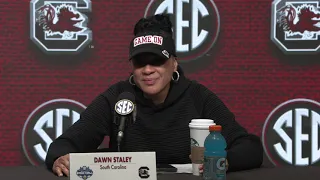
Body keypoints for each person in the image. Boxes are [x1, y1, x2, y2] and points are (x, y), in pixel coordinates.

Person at [45, 14, 263, 177]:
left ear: (174, 63)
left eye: (157, 61)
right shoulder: (118, 97)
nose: (147, 70)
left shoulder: (198, 96)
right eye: (140, 62)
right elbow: (65, 144)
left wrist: (220, 161)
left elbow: (250, 148)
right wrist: (60, 159)